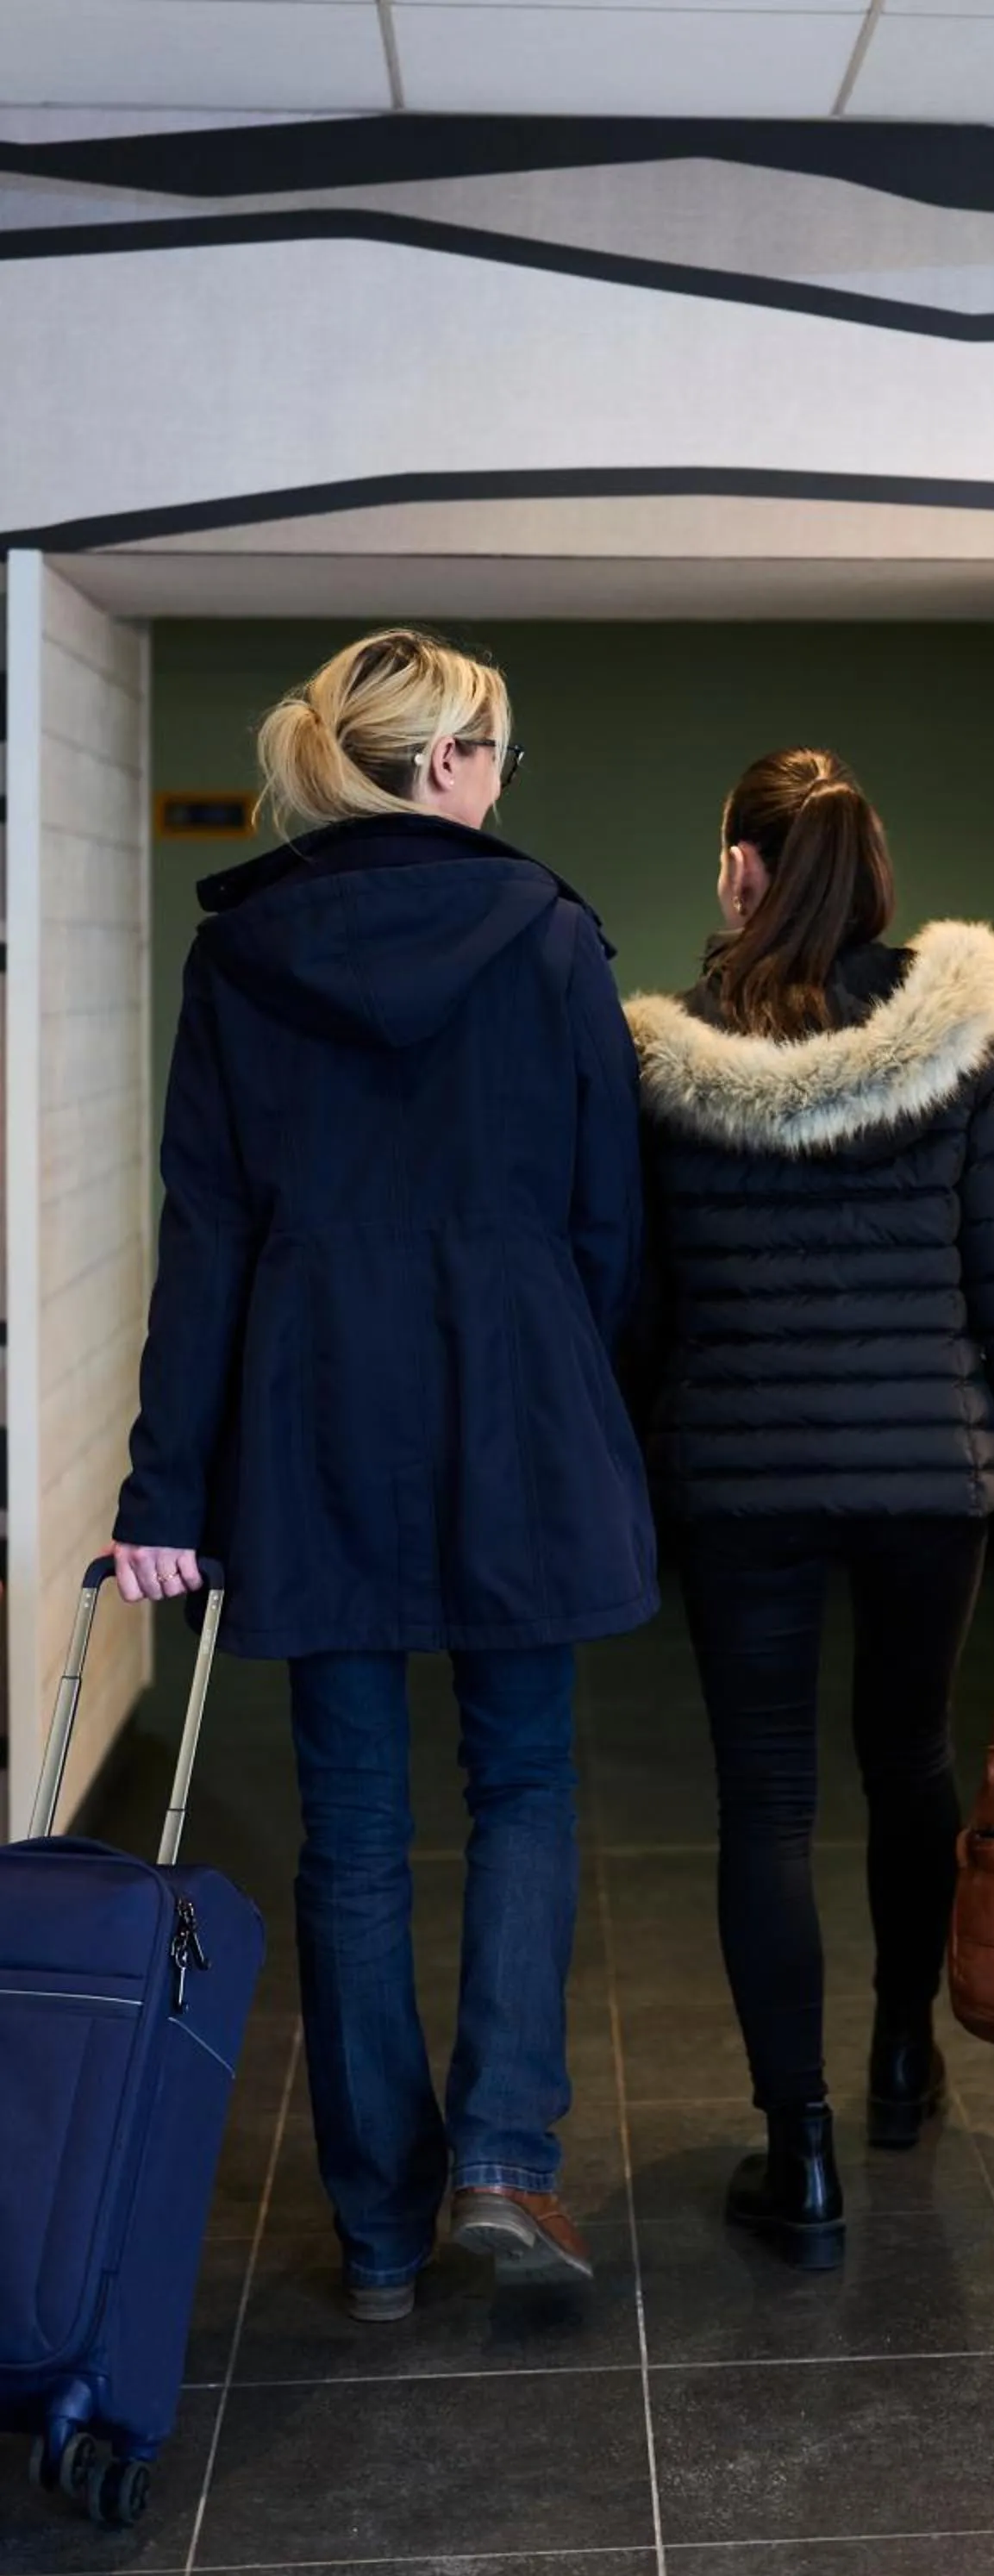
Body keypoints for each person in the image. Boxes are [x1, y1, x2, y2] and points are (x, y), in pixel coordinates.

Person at [110, 628, 656, 2321]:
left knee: (349, 1829)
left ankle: (373, 2230)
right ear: (440, 766)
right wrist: (587, 1386)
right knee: (523, 1789)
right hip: (515, 1397)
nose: (504, 781)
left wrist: (165, 1489)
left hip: (309, 1414)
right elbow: (604, 1214)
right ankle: (501, 2157)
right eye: (492, 751)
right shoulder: (551, 937)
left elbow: (204, 1235)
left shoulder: (240, 957)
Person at [626, 747, 994, 2269]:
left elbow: (642, 1302)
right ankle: (905, 2056)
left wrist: (649, 1452)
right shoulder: (963, 1054)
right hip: (928, 1481)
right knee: (906, 1755)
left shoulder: (669, 1061)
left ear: (740, 872)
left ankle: (802, 2154)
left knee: (764, 1800)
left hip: (742, 1482)